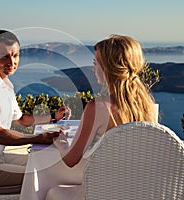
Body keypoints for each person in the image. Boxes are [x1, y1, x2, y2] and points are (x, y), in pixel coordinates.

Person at [0, 29, 71, 188]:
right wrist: (39, 138)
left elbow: (21, 119)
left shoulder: (5, 85)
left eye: (15, 55)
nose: (11, 61)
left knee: (49, 164)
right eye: (4, 56)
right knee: (43, 175)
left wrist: (54, 116)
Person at [45, 34, 157, 199]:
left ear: (108, 68)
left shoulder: (98, 108)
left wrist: (61, 144)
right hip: (138, 190)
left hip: (104, 191)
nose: (93, 68)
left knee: (50, 188)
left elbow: (71, 160)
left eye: (95, 63)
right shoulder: (147, 106)